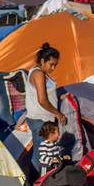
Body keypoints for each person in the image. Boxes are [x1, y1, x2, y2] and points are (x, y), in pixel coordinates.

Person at [24, 44, 66, 172]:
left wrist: (59, 97)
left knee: (45, 154)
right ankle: (34, 185)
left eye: (55, 65)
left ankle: (39, 182)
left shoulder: (42, 72)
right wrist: (58, 114)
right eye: (51, 64)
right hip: (40, 120)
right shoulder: (38, 74)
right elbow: (42, 100)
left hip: (42, 119)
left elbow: (46, 94)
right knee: (40, 156)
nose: (53, 68)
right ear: (43, 61)